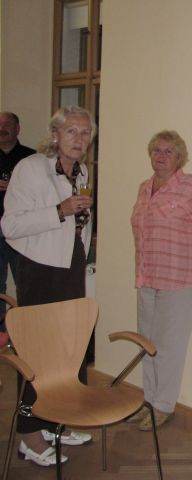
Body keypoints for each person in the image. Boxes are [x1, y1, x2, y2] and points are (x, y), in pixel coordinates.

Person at [1, 105, 97, 467]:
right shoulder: (31, 168)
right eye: (71, 131)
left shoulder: (81, 171)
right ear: (55, 134)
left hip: (71, 267)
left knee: (69, 350)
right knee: (38, 354)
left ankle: (57, 421)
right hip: (40, 270)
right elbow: (10, 225)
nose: (79, 139)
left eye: (85, 133)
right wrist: (60, 210)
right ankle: (29, 434)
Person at [129, 130, 192, 432]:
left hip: (180, 279)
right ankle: (148, 401)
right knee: (146, 344)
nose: (161, 156)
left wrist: (186, 255)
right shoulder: (144, 187)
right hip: (147, 276)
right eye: (156, 150)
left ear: (179, 157)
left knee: (168, 347)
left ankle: (163, 406)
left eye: (168, 151)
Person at [0, 112, 35, 334]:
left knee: (25, 285)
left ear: (17, 129)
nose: (2, 128)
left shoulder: (31, 159)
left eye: (8, 124)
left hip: (21, 232)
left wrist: (14, 186)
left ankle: (24, 334)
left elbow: (39, 196)